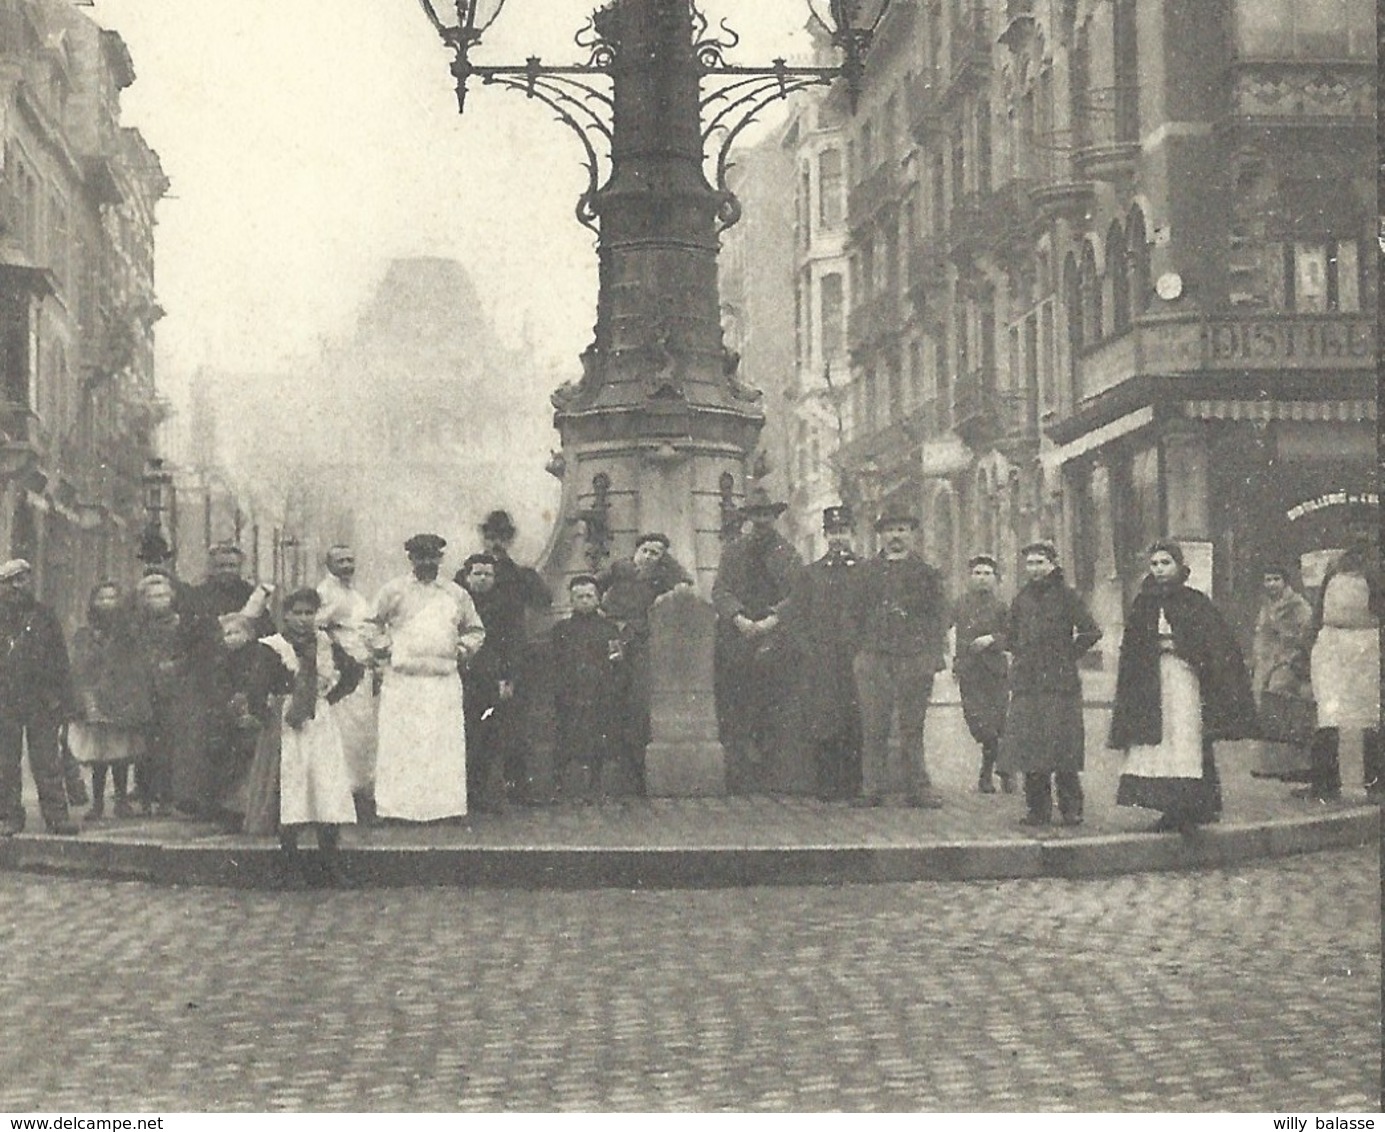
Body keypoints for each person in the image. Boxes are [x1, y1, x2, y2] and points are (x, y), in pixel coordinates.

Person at [1111, 539, 1257, 832]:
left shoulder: (1194, 600)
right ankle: (1168, 807)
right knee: (1159, 741)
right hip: (1153, 682)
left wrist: (1185, 649)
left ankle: (1191, 807)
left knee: (1185, 736)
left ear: (1179, 565)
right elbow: (1132, 646)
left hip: (1185, 679)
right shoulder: (1143, 602)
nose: (1160, 570)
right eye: (1154, 564)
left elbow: (1216, 643)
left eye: (1166, 563)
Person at [370, 534, 485, 822]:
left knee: (442, 744)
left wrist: (462, 649)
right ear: (411, 559)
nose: (427, 562)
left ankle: (446, 809)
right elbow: (369, 625)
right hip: (403, 681)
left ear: (440, 559)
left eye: (432, 557)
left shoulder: (455, 593)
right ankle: (394, 810)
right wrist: (387, 648)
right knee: (401, 745)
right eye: (421, 557)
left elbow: (475, 629)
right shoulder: (393, 591)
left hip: (443, 680)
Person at [260, 588, 362, 886]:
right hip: (288, 724)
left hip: (320, 722)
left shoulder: (326, 644)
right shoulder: (273, 647)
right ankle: (289, 865)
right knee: (293, 789)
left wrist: (329, 698)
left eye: (309, 613)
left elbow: (353, 672)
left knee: (325, 786)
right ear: (286, 615)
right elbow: (257, 688)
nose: (304, 619)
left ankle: (329, 863)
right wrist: (270, 717)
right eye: (297, 613)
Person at [847, 509, 948, 809]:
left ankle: (918, 788)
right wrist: (861, 650)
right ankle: (871, 788)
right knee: (874, 725)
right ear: (881, 535)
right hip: (874, 658)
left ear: (912, 534)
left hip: (913, 659)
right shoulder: (866, 572)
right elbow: (851, 615)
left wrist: (929, 655)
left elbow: (938, 617)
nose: (896, 536)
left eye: (902, 529)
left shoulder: (926, 573)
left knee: (912, 725)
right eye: (890, 530)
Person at [1000, 540, 1102, 827]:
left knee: (1063, 746)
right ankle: (1038, 810)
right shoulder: (1021, 598)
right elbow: (1010, 634)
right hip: (1028, 682)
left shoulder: (1067, 596)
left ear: (1053, 564)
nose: (1034, 569)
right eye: (1030, 563)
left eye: (1040, 563)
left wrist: (1067, 655)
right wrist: (1020, 652)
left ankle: (1071, 807)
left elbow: (1091, 631)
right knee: (1031, 747)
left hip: (1059, 682)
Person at [712, 487, 805, 794]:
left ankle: (775, 774)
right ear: (748, 518)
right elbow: (721, 590)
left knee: (774, 707)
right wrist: (738, 618)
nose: (761, 520)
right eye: (756, 515)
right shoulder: (733, 551)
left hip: (775, 636)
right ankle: (740, 776)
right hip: (738, 637)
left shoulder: (788, 554)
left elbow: (797, 594)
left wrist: (770, 621)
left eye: (766, 515)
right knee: (738, 706)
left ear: (774, 517)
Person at [597, 532, 693, 794]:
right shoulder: (620, 567)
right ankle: (610, 769)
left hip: (639, 640)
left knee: (637, 702)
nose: (649, 557)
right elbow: (594, 585)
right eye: (646, 551)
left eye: (656, 553)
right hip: (613, 636)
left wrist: (673, 588)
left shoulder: (660, 573)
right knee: (610, 697)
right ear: (636, 549)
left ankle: (635, 770)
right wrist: (601, 612)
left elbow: (684, 581)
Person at [175, 543, 263, 816]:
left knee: (238, 736)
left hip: (241, 673)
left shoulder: (252, 596)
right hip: (205, 674)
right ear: (211, 568)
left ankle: (233, 799)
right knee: (204, 737)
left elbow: (266, 633)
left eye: (232, 565)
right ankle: (202, 799)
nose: (227, 571)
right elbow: (185, 636)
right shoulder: (197, 596)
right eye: (222, 565)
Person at [470, 509, 552, 800]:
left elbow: (544, 600)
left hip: (512, 656)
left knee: (514, 726)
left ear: (509, 540)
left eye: (502, 537)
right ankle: (476, 790)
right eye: (491, 537)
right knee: (478, 725)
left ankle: (517, 787)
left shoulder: (519, 574)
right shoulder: (469, 572)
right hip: (478, 659)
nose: (496, 543)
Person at [789, 504, 863, 802]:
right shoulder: (811, 574)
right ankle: (827, 783)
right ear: (824, 535)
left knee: (855, 717)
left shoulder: (864, 571)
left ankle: (853, 782)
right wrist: (808, 649)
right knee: (824, 717)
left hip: (855, 657)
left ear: (852, 534)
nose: (837, 539)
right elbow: (797, 615)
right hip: (821, 659)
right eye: (832, 532)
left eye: (842, 532)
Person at [0, 559, 79, 836]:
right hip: (5, 698)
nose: (15, 587)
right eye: (9, 582)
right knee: (4, 762)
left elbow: (60, 660)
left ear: (30, 581)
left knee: (47, 760)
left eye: (21, 580)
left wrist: (66, 701)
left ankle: (56, 816)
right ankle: (9, 816)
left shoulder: (45, 616)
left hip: (41, 699)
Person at [1303, 529, 1382, 803]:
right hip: (1332, 646)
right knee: (1329, 715)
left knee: (1366, 716)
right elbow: (1318, 611)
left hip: (1366, 646)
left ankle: (1370, 780)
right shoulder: (1334, 568)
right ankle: (1325, 781)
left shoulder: (1376, 571)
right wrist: (1308, 645)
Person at [68, 581, 151, 823]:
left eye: (112, 598)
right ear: (93, 603)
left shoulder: (129, 634)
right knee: (99, 757)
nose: (107, 603)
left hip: (121, 698)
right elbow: (79, 667)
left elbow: (134, 667)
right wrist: (86, 698)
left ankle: (122, 800)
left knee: (121, 754)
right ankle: (97, 803)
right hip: (95, 697)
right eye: (101, 598)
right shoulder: (85, 635)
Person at [316, 544, 379, 821]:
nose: (346, 565)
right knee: (343, 734)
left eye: (350, 559)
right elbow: (318, 627)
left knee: (362, 734)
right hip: (343, 673)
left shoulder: (352, 593)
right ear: (328, 564)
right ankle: (343, 796)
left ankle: (358, 793)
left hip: (362, 670)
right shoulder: (327, 593)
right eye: (340, 560)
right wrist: (338, 656)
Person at [550, 575, 623, 803]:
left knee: (599, 741)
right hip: (570, 694)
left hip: (600, 693)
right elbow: (555, 664)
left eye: (589, 596)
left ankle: (596, 786)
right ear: (571, 600)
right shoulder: (561, 630)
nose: (584, 601)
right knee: (567, 738)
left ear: (598, 599)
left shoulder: (609, 629)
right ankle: (564, 787)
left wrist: (610, 687)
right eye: (579, 597)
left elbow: (616, 661)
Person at [457, 553, 515, 812]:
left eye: (488, 574)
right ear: (467, 576)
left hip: (488, 678)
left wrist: (507, 677)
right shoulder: (454, 602)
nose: (482, 579)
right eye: (477, 573)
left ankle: (479, 792)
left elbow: (513, 645)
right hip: (458, 676)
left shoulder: (505, 607)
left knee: (487, 735)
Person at [952, 554, 1012, 795]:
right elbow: (942, 626)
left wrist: (992, 640)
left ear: (995, 579)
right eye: (977, 573)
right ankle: (1003, 767)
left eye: (987, 574)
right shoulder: (960, 604)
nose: (982, 578)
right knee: (979, 724)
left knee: (997, 725)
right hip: (969, 672)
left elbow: (1012, 636)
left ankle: (990, 774)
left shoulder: (1002, 606)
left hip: (995, 672)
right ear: (969, 578)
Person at [1249, 564, 1315, 782]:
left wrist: (1294, 654)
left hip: (1287, 663)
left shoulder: (1297, 605)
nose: (1271, 584)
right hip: (1265, 664)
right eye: (1267, 579)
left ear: (1285, 582)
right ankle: (1268, 763)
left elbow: (1307, 632)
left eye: (1276, 579)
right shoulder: (1267, 605)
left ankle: (1289, 764)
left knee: (1282, 708)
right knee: (1265, 713)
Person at [132, 572, 185, 816]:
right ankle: (144, 797)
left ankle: (167, 797)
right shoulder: (137, 627)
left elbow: (189, 655)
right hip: (143, 690)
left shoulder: (179, 624)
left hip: (171, 691)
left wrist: (173, 665)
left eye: (163, 594)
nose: (159, 600)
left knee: (169, 746)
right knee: (144, 747)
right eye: (153, 596)